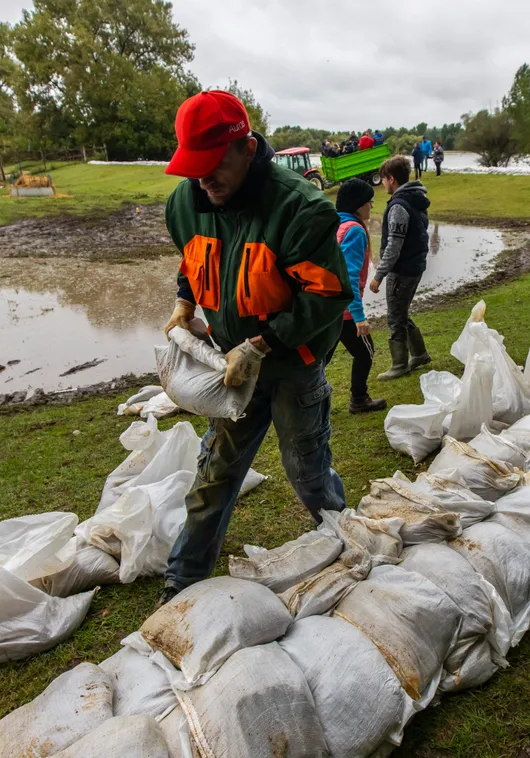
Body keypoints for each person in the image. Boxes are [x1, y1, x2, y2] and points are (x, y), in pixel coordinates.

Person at [159, 90, 352, 600]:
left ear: (247, 149)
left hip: (291, 364)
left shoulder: (299, 209)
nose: (204, 180)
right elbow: (192, 260)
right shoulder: (187, 202)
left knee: (307, 471)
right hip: (230, 367)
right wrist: (184, 302)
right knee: (215, 473)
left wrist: (261, 345)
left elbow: (329, 295)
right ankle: (183, 580)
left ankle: (347, 541)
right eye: (194, 170)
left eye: (214, 166)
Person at [327, 178, 387, 413]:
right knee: (365, 351)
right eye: (369, 201)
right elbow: (349, 277)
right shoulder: (354, 231)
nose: (371, 206)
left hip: (327, 306)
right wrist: (359, 317)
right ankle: (359, 399)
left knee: (321, 358)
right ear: (358, 204)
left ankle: (309, 401)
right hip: (344, 309)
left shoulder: (335, 225)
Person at [369, 156, 431, 379]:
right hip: (416, 265)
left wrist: (378, 275)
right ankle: (420, 354)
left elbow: (394, 246)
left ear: (391, 179)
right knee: (401, 311)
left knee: (395, 316)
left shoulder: (398, 206)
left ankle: (399, 364)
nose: (383, 184)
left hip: (402, 270)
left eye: (384, 180)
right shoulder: (416, 198)